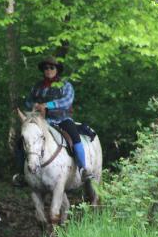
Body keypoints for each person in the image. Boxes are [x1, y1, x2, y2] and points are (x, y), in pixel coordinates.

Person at [15, 56, 97, 202]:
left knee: (74, 136)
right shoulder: (37, 86)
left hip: (61, 120)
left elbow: (67, 101)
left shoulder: (65, 85)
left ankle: (83, 169)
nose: (48, 70)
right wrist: (33, 105)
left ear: (57, 70)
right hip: (41, 122)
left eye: (52, 68)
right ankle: (21, 173)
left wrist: (48, 105)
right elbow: (28, 101)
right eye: (46, 68)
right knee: (21, 141)